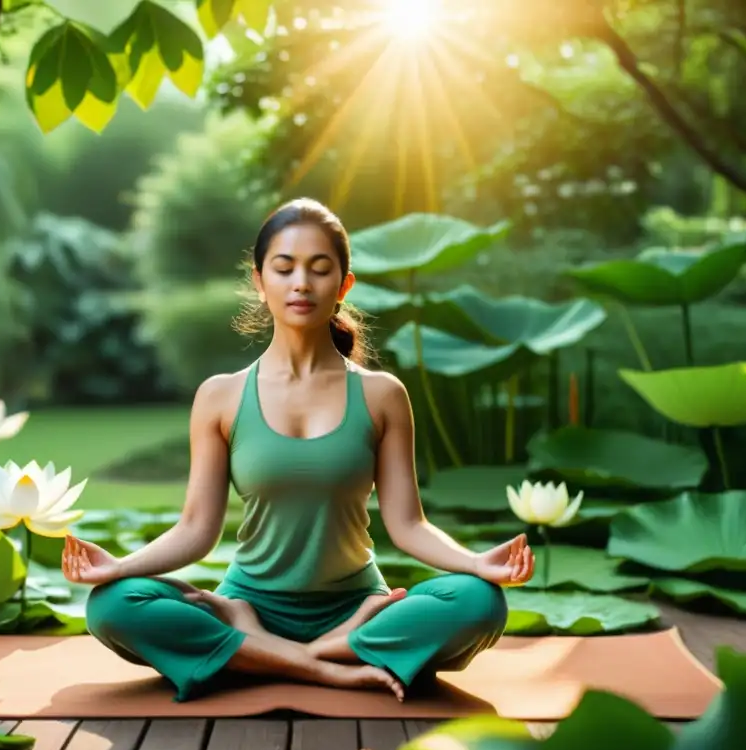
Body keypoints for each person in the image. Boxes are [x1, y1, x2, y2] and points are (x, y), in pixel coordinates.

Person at [62, 198, 535, 703]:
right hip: (250, 602)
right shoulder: (220, 396)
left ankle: (258, 654)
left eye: (320, 269)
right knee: (111, 606)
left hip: (355, 603)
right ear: (260, 283)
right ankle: (331, 662)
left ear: (344, 284)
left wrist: (476, 564)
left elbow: (408, 525)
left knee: (479, 602)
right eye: (284, 269)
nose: (301, 284)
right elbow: (196, 529)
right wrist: (119, 568)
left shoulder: (382, 395)